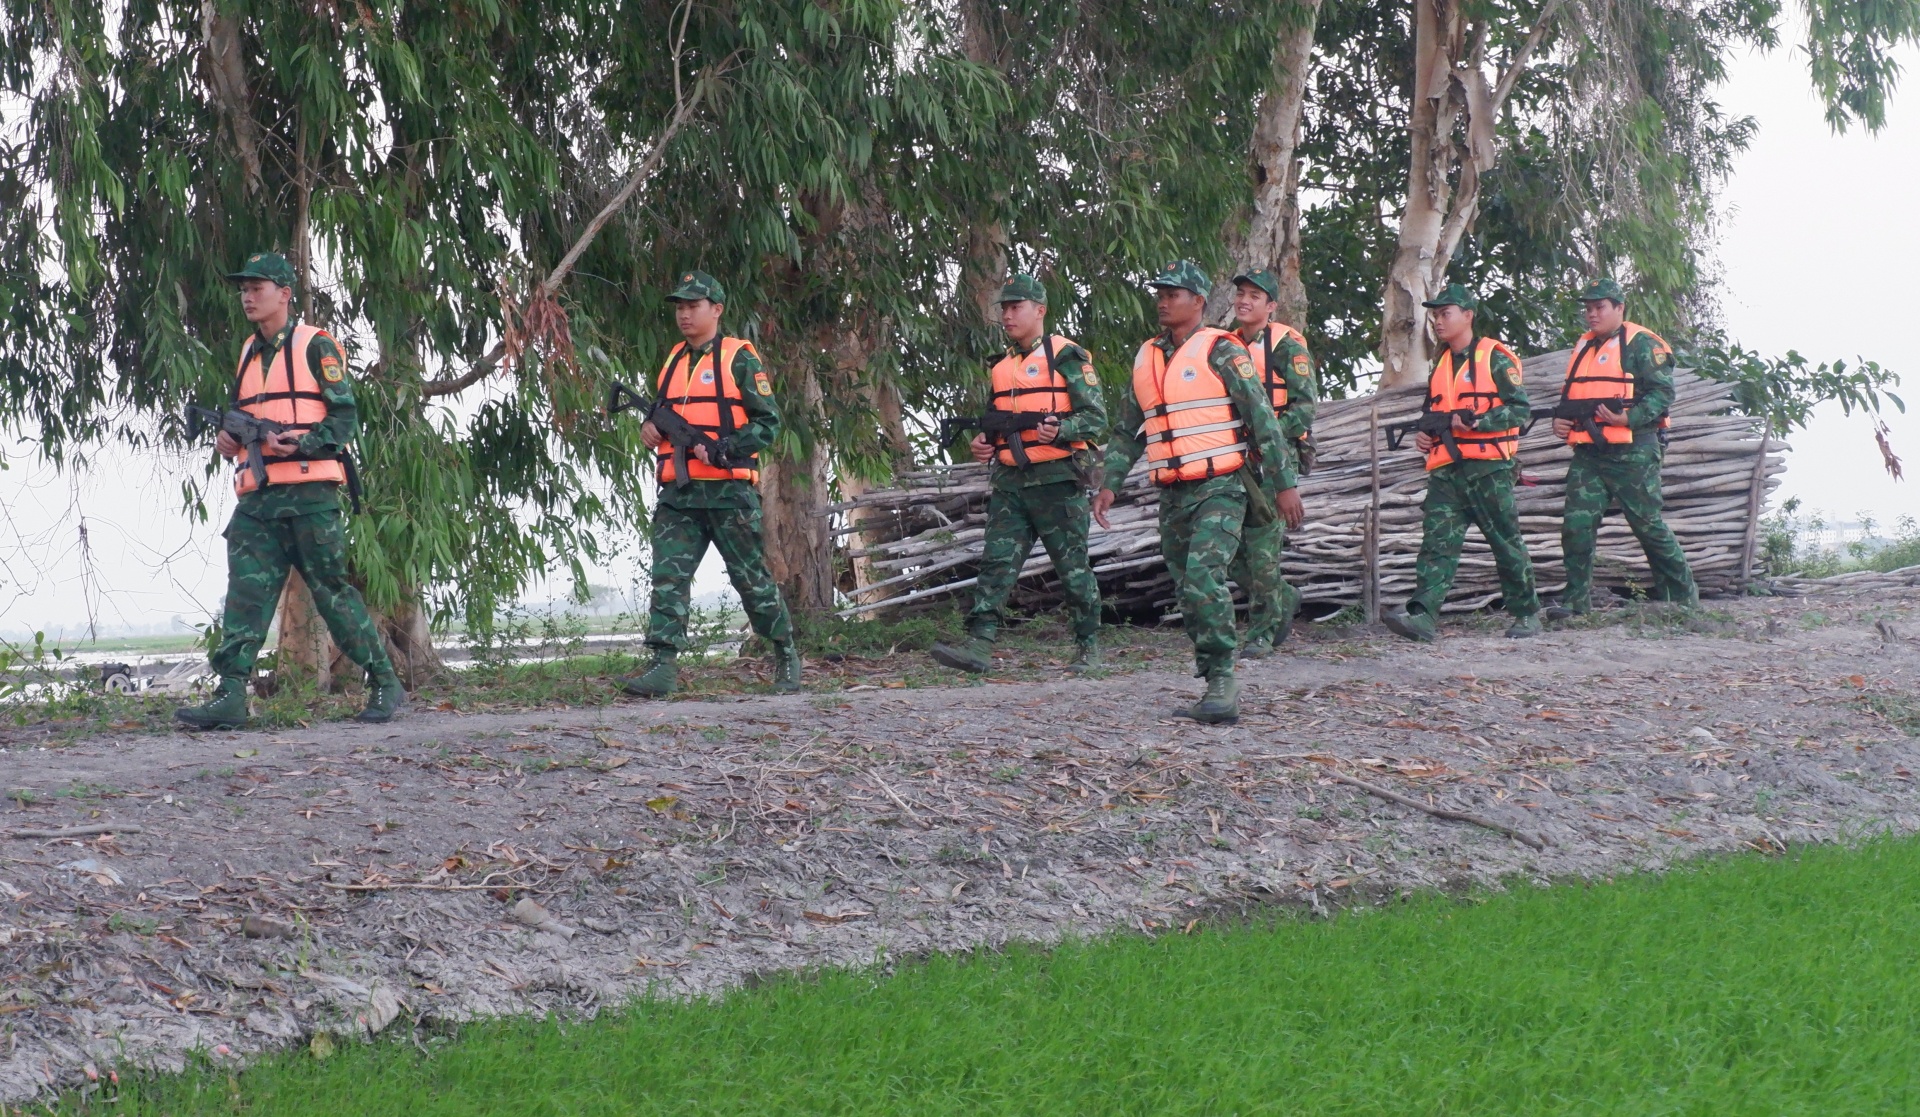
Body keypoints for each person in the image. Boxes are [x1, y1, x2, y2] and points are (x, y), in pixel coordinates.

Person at [175, 252, 406, 729]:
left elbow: (345, 420)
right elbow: (243, 424)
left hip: (310, 498)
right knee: (244, 599)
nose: (247, 296)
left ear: (284, 294)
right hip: (257, 501)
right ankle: (231, 695)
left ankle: (385, 681)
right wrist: (228, 440)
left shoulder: (315, 345)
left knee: (333, 594)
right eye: (243, 288)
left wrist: (303, 441)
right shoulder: (246, 353)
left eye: (257, 287)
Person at [1094, 261, 1305, 724]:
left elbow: (1263, 420)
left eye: (1175, 293)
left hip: (1222, 486)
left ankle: (1224, 683)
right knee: (1187, 588)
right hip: (1172, 493)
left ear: (1198, 302)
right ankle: (1213, 679)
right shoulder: (1146, 356)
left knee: (1203, 578)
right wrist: (1109, 483)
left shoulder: (1222, 351)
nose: (1164, 301)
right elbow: (1130, 429)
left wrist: (1285, 485)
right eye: (1161, 293)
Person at [619, 270, 803, 697]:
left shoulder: (740, 357)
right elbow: (664, 415)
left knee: (751, 578)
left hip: (729, 494)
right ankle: (662, 667)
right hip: (679, 494)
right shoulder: (673, 361)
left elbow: (768, 422)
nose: (684, 314)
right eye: (680, 306)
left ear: (716, 310)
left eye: (693, 305)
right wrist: (649, 428)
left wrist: (725, 447)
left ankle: (786, 656)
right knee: (668, 579)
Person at [929, 274, 1109, 674]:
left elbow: (1096, 418)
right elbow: (994, 425)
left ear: (1039, 310)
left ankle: (1088, 647)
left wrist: (1061, 430)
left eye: (1016, 307)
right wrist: (982, 444)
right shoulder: (1001, 367)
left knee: (1072, 566)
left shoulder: (1067, 356)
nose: (1007, 316)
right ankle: (978, 646)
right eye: (1004, 309)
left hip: (1058, 479)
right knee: (996, 563)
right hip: (1011, 481)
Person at [1381, 284, 1541, 642]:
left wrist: (1474, 422)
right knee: (1437, 544)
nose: (1438, 321)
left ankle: (1527, 613)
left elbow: (1520, 410)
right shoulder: (1440, 364)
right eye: (1435, 314)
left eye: (1445, 313)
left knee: (1505, 541)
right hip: (1447, 471)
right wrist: (1426, 436)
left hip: (1489, 470)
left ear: (1468, 316)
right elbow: (1431, 413)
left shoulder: (1494, 357)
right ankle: (1422, 617)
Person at [1547, 277, 1698, 616]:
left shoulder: (1642, 344)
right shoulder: (1584, 346)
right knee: (1575, 527)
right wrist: (1561, 421)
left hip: (1635, 451)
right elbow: (1572, 398)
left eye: (1600, 307)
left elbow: (1663, 394)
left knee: (1647, 524)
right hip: (1589, 452)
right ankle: (1576, 604)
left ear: (1619, 308)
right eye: (1588, 309)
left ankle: (1684, 600)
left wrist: (1628, 419)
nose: (1592, 315)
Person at [1225, 268, 1316, 658]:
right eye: (1241, 294)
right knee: (1223, 549)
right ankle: (1282, 596)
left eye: (1254, 296)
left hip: (1271, 459)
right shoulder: (1223, 344)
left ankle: (1261, 633)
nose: (1244, 300)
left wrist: (1268, 437)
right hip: (1230, 458)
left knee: (1263, 549)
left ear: (1271, 306)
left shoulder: (1286, 346)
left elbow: (1304, 408)